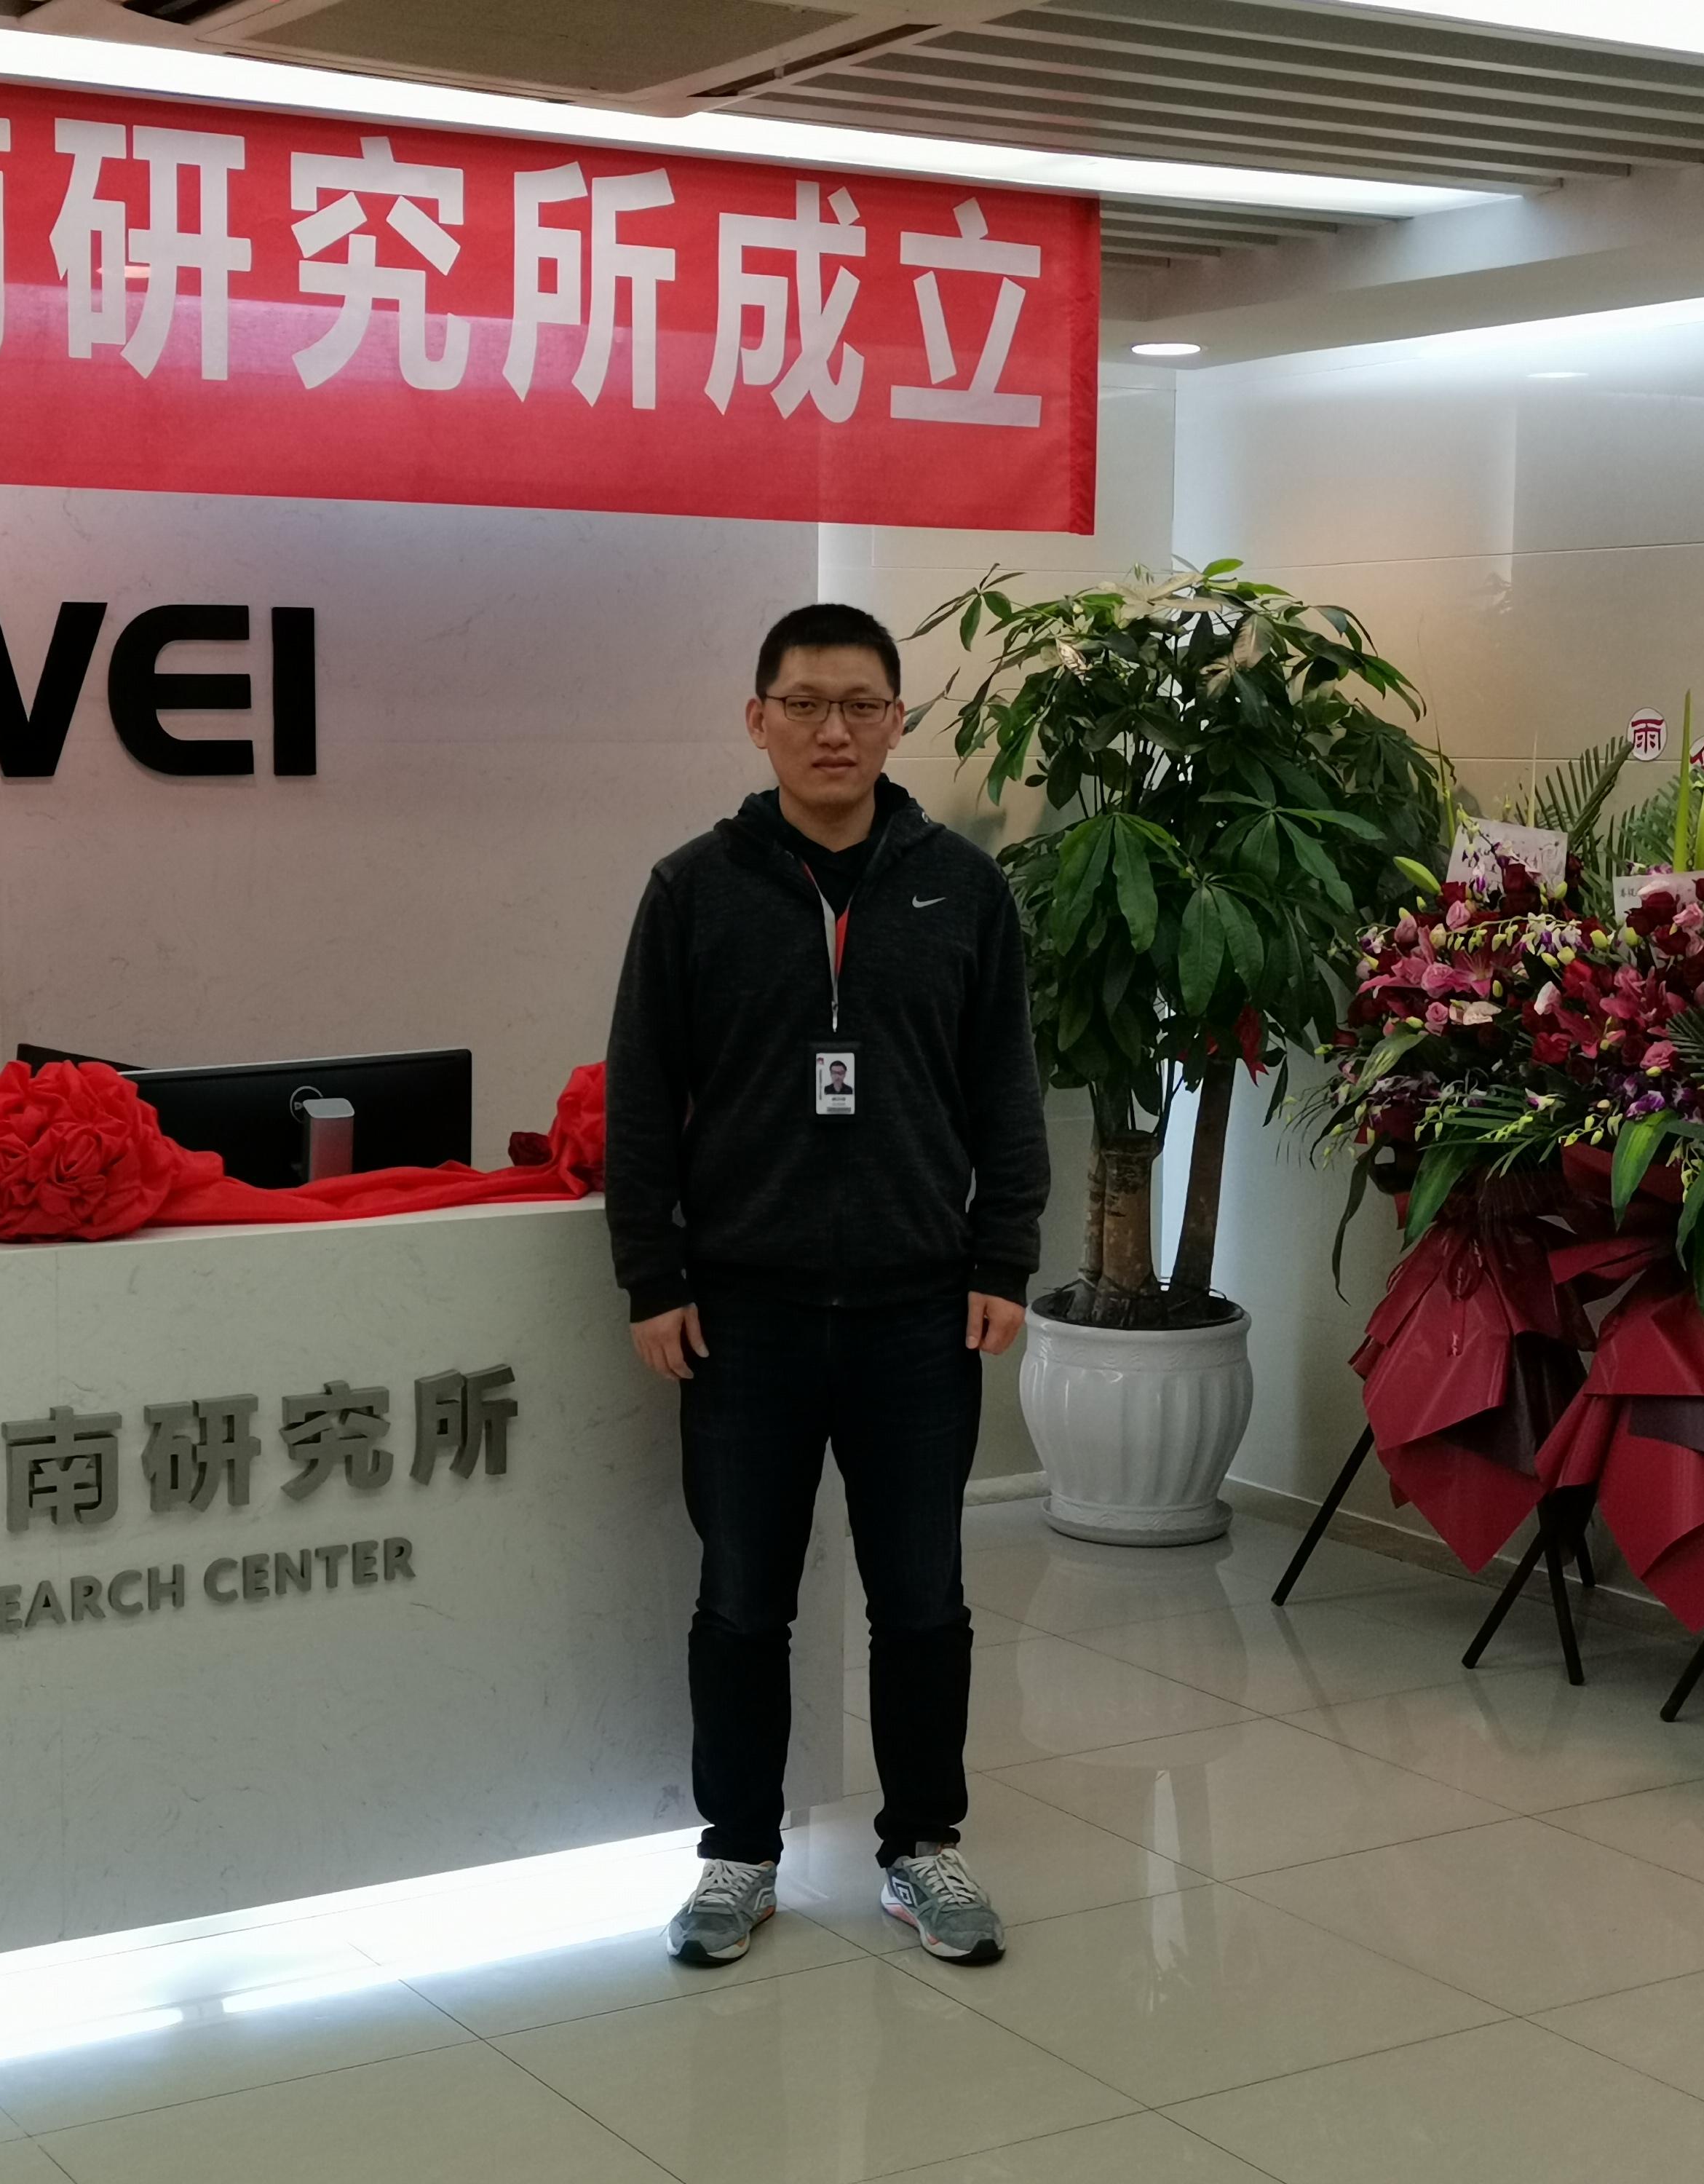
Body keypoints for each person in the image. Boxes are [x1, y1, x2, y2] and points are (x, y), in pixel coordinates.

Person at [603, 601, 1048, 1968]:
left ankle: (922, 1849)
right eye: (805, 704)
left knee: (924, 1598)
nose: (833, 730)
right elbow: (642, 1100)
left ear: (897, 721)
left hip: (920, 1311)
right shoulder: (694, 890)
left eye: (860, 705)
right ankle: (739, 1855)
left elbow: (1005, 1086)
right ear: (759, 720)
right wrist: (652, 1276)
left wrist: (1005, 1253)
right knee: (743, 1597)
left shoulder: (962, 891)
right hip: (746, 1316)